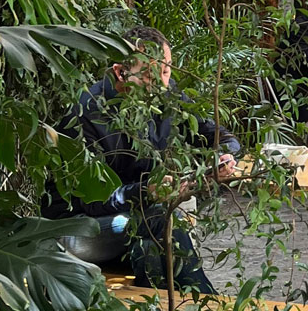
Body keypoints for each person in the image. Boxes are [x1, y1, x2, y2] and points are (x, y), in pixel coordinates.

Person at [46, 27, 241, 293]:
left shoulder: (165, 93)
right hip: (77, 228)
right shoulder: (85, 114)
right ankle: (206, 298)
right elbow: (89, 201)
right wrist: (145, 192)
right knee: (157, 221)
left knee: (153, 239)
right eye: (150, 74)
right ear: (120, 72)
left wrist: (225, 153)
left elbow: (213, 134)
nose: (161, 83)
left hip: (140, 216)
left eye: (166, 70)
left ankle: (169, 300)